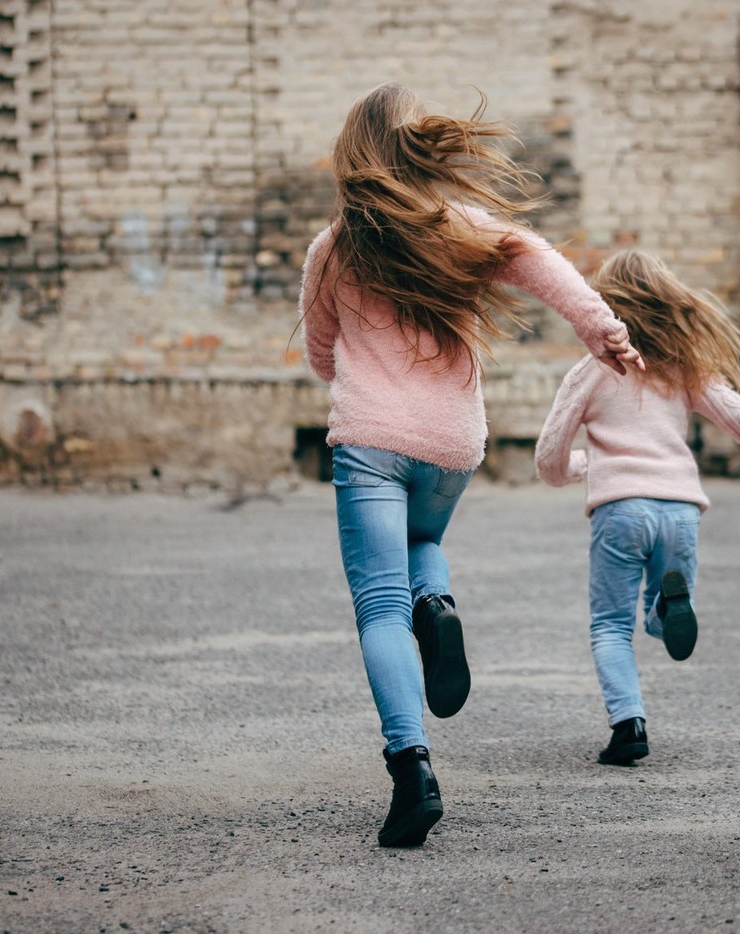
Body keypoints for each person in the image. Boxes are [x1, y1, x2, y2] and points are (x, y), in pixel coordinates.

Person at [298, 83, 643, 847]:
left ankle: (412, 768)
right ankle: (440, 607)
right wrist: (601, 328)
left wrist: (356, 362)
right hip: (452, 444)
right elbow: (535, 255)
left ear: (354, 155)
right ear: (414, 147)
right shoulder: (457, 228)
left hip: (370, 443)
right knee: (423, 549)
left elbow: (323, 355)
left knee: (379, 606)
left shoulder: (332, 250)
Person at [533, 248, 740, 767]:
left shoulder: (591, 371)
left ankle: (629, 726)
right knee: (664, 609)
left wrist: (577, 469)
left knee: (609, 624)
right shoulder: (686, 369)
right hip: (680, 509)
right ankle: (667, 607)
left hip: (620, 509)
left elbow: (548, 454)